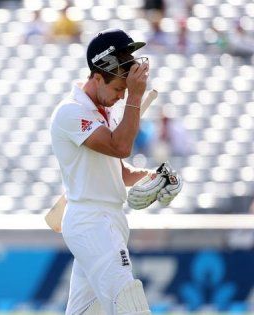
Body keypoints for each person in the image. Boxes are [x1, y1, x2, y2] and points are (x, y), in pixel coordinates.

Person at [49, 29, 182, 315]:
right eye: (117, 90)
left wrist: (155, 177)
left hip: (108, 219)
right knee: (129, 306)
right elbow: (121, 146)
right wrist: (135, 96)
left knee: (86, 311)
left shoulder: (102, 112)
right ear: (97, 77)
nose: (121, 97)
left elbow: (119, 172)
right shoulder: (71, 112)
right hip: (91, 221)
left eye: (125, 92)